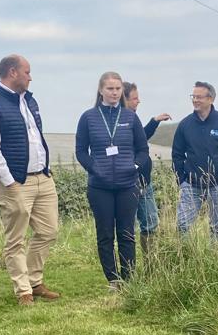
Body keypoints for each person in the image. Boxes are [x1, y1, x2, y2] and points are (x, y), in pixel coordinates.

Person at [0, 54, 61, 306]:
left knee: (49, 231)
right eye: (27, 72)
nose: (30, 76)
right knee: (16, 238)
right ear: (12, 72)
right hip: (13, 182)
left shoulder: (30, 101)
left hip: (42, 178)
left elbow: (35, 138)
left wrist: (46, 168)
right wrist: (10, 182)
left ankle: (35, 280)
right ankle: (23, 289)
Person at [76, 73, 150, 290]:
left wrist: (134, 166)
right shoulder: (88, 117)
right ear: (101, 91)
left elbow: (143, 149)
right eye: (110, 89)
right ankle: (113, 279)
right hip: (100, 187)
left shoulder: (130, 117)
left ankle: (129, 279)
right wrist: (94, 168)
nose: (114, 92)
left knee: (126, 233)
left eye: (117, 88)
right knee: (105, 234)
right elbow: (81, 151)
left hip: (128, 185)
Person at [172, 81, 218, 241]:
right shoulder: (185, 125)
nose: (195, 100)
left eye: (199, 97)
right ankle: (186, 257)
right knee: (183, 226)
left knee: (216, 227)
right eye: (193, 96)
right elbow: (177, 154)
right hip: (191, 184)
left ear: (210, 99)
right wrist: (181, 180)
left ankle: (216, 259)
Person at [122, 81, 171, 253]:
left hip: (145, 182)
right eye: (134, 98)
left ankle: (151, 266)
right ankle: (129, 265)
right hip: (128, 183)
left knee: (151, 223)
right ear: (125, 99)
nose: (138, 101)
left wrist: (154, 121)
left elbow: (141, 138)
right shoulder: (119, 122)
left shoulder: (133, 118)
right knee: (128, 226)